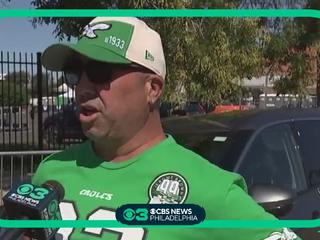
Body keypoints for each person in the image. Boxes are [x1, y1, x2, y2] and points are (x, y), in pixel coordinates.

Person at [32, 17, 301, 240]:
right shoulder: (52, 171)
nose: (82, 88)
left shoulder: (208, 190)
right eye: (74, 73)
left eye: (101, 71)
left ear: (152, 89)